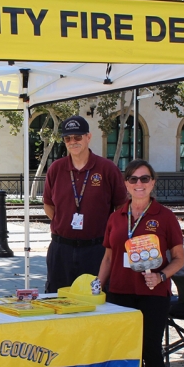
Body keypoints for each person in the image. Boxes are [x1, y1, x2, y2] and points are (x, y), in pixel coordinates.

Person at [97, 159, 184, 367]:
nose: (139, 184)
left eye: (144, 179)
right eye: (133, 179)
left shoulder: (165, 216)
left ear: (153, 183)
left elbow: (179, 259)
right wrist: (97, 284)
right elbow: (110, 255)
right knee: (127, 351)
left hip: (153, 294)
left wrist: (161, 275)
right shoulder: (116, 217)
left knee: (151, 351)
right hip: (119, 293)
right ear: (125, 184)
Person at [43, 115, 126, 293]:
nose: (73, 142)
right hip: (61, 249)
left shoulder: (107, 169)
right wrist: (62, 223)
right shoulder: (56, 169)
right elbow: (48, 205)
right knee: (57, 299)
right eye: (68, 138)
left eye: (78, 137)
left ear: (88, 137)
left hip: (96, 250)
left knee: (96, 299)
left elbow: (121, 206)